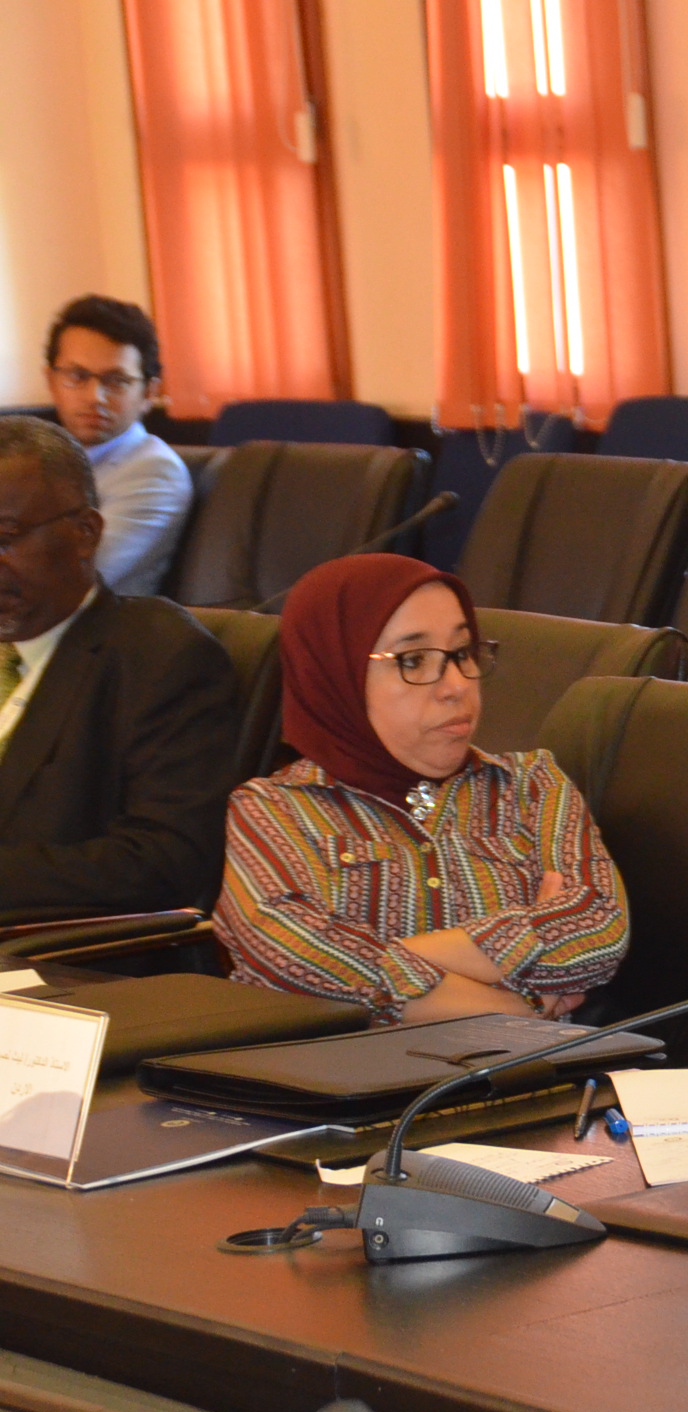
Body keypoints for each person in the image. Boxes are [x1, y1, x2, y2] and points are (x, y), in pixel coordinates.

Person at [215, 554, 628, 1023]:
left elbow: (599, 932)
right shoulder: (272, 809)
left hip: (528, 1070)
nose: (456, 685)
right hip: (343, 1070)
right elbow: (293, 954)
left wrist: (380, 963)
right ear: (334, 674)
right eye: (413, 660)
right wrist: (524, 1007)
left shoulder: (531, 785)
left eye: (463, 653)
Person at [0, 417, 237, 915]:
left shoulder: (160, 658)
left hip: (54, 947)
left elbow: (163, 862)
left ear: (85, 533)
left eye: (6, 537)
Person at [42, 296, 192, 598]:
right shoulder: (39, 457)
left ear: (149, 393)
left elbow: (68, 580)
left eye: (116, 380)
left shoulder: (154, 473)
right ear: (52, 382)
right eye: (77, 376)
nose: (95, 397)